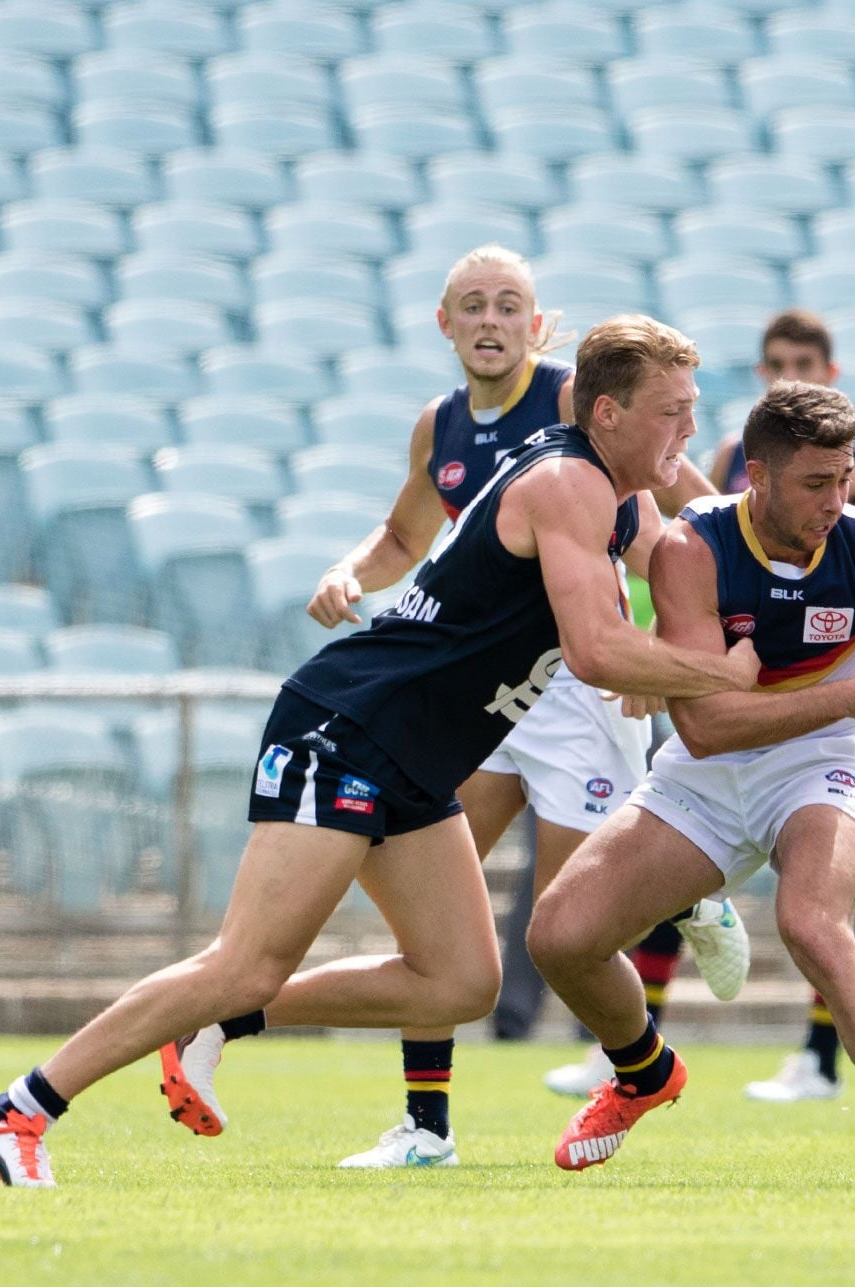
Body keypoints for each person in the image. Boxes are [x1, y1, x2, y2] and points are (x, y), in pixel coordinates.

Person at [0, 316, 760, 1187]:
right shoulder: (571, 483)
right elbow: (597, 651)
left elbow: (693, 549)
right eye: (673, 412)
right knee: (245, 963)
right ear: (607, 413)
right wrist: (721, 675)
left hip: (412, 757)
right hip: (347, 729)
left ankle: (223, 1023)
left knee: (460, 983)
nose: (691, 429)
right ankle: (19, 1109)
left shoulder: (609, 491)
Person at [185, 246, 739, 1158]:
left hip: (576, 677)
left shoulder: (583, 402)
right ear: (444, 323)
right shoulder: (439, 425)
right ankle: (426, 1125)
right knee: (439, 920)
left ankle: (679, 901)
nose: (491, 321)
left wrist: (663, 651)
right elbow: (406, 536)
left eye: (508, 304)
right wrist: (347, 571)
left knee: (571, 916)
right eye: (473, 305)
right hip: (480, 690)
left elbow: (668, 527)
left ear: (538, 325)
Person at [522, 380, 855, 1188]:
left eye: (844, 480)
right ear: (759, 477)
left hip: (819, 762)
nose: (836, 501)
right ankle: (642, 1072)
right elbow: (706, 727)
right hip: (709, 771)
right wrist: (849, 696)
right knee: (558, 937)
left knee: (813, 924)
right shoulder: (693, 549)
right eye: (815, 483)